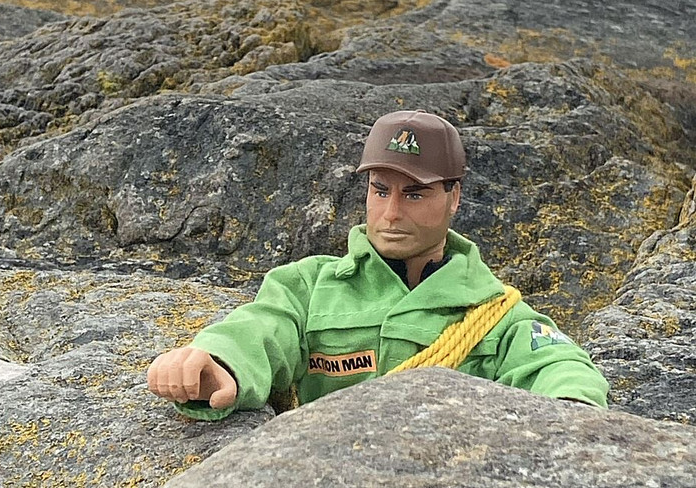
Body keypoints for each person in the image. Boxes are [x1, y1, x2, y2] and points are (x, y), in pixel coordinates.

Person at [147, 110, 609, 420]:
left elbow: (559, 365)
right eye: (379, 190)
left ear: (455, 198)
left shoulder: (494, 313)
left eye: (414, 194)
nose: (390, 213)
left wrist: (568, 408)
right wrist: (217, 362)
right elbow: (262, 327)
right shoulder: (309, 285)